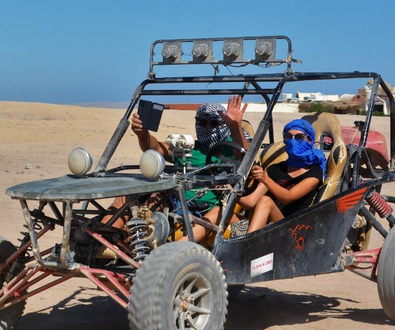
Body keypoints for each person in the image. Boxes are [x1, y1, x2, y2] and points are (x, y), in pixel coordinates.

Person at [105, 96, 250, 228]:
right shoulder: (189, 148)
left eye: (214, 123)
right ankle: (103, 240)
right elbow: (155, 148)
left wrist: (234, 127)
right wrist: (143, 134)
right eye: (202, 122)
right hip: (176, 201)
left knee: (155, 198)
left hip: (205, 208)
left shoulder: (230, 147)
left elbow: (245, 156)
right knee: (128, 195)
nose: (208, 127)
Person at [187, 118, 325, 241]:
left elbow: (288, 197)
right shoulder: (275, 169)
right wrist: (228, 191)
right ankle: (175, 250)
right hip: (260, 223)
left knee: (266, 201)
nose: (293, 141)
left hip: (289, 228)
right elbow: (250, 202)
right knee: (218, 211)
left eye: (299, 137)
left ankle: (245, 248)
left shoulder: (314, 172)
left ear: (309, 140)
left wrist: (265, 179)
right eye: (288, 136)